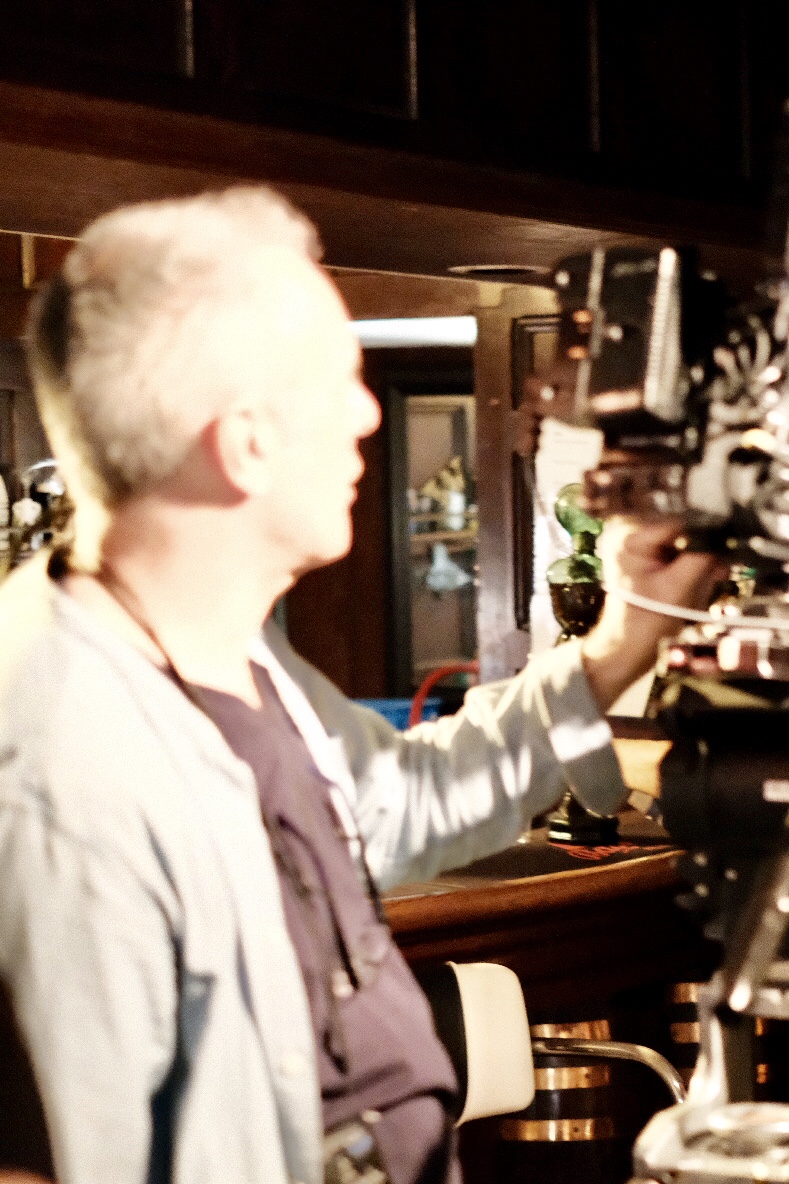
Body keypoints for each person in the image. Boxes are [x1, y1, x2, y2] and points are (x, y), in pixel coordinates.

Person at [0, 188, 720, 1184]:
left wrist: (622, 638)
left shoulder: (223, 652)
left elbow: (404, 799)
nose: (368, 413)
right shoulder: (60, 763)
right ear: (243, 442)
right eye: (337, 382)